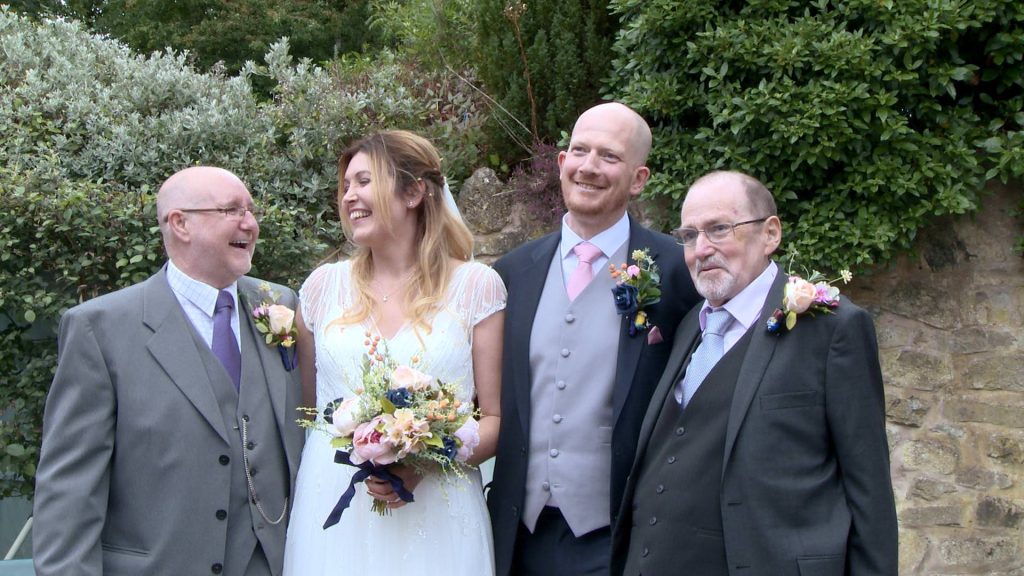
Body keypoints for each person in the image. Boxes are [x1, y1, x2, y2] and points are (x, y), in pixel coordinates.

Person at [611, 170, 898, 575]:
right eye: (690, 236)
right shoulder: (691, 323)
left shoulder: (832, 329)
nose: (701, 249)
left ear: (771, 234)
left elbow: (869, 491)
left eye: (719, 229)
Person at [33, 166, 305, 576]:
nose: (250, 223)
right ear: (180, 223)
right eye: (231, 210)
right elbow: (70, 490)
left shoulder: (280, 305)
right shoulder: (99, 328)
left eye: (251, 210)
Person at [487, 102, 701, 576]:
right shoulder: (511, 273)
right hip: (518, 533)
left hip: (620, 535)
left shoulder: (675, 270)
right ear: (562, 163)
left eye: (608, 156)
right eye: (579, 151)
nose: (589, 166)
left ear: (638, 178)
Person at [282, 130, 505, 575]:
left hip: (438, 508)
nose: (349, 196)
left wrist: (423, 461)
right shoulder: (322, 288)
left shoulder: (475, 287)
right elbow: (310, 411)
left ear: (413, 192)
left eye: (364, 181)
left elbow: (494, 420)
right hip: (333, 502)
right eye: (345, 186)